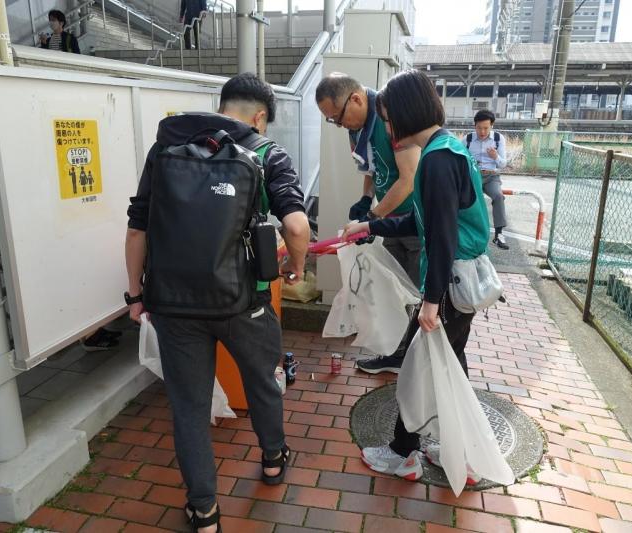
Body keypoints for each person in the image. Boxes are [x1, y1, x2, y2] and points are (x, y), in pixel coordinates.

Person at [125, 73, 309, 532]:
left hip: (173, 305)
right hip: (243, 301)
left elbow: (137, 229)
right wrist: (297, 268)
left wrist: (135, 295)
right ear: (260, 116)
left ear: (221, 105)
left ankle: (204, 511)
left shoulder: (165, 150)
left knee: (188, 406)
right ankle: (272, 460)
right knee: (264, 382)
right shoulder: (267, 153)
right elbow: (298, 227)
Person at [342, 69, 490, 481]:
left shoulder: (438, 160)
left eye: (388, 119)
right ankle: (459, 450)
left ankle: (404, 454)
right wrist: (370, 226)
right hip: (463, 282)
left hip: (448, 284)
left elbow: (440, 236)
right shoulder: (446, 149)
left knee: (417, 369)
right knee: (449, 365)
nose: (388, 129)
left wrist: (430, 300)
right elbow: (424, 221)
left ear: (405, 113)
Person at [315, 73, 421, 375]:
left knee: (414, 293)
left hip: (413, 222)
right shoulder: (358, 127)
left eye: (337, 118)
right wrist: (366, 201)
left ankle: (415, 360)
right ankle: (394, 352)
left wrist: (372, 219)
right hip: (391, 221)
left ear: (357, 99)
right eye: (331, 121)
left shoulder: (392, 118)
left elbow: (409, 178)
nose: (338, 125)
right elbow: (372, 169)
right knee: (391, 291)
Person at [465, 109, 509, 249]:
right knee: (469, 199)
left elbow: (503, 164)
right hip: (474, 175)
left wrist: (495, 156)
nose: (482, 132)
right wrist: (470, 162)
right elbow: (458, 157)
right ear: (474, 126)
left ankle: (499, 234)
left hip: (491, 176)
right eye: (479, 128)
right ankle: (467, 232)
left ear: (492, 125)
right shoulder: (468, 139)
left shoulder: (498, 138)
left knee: (498, 196)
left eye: (485, 128)